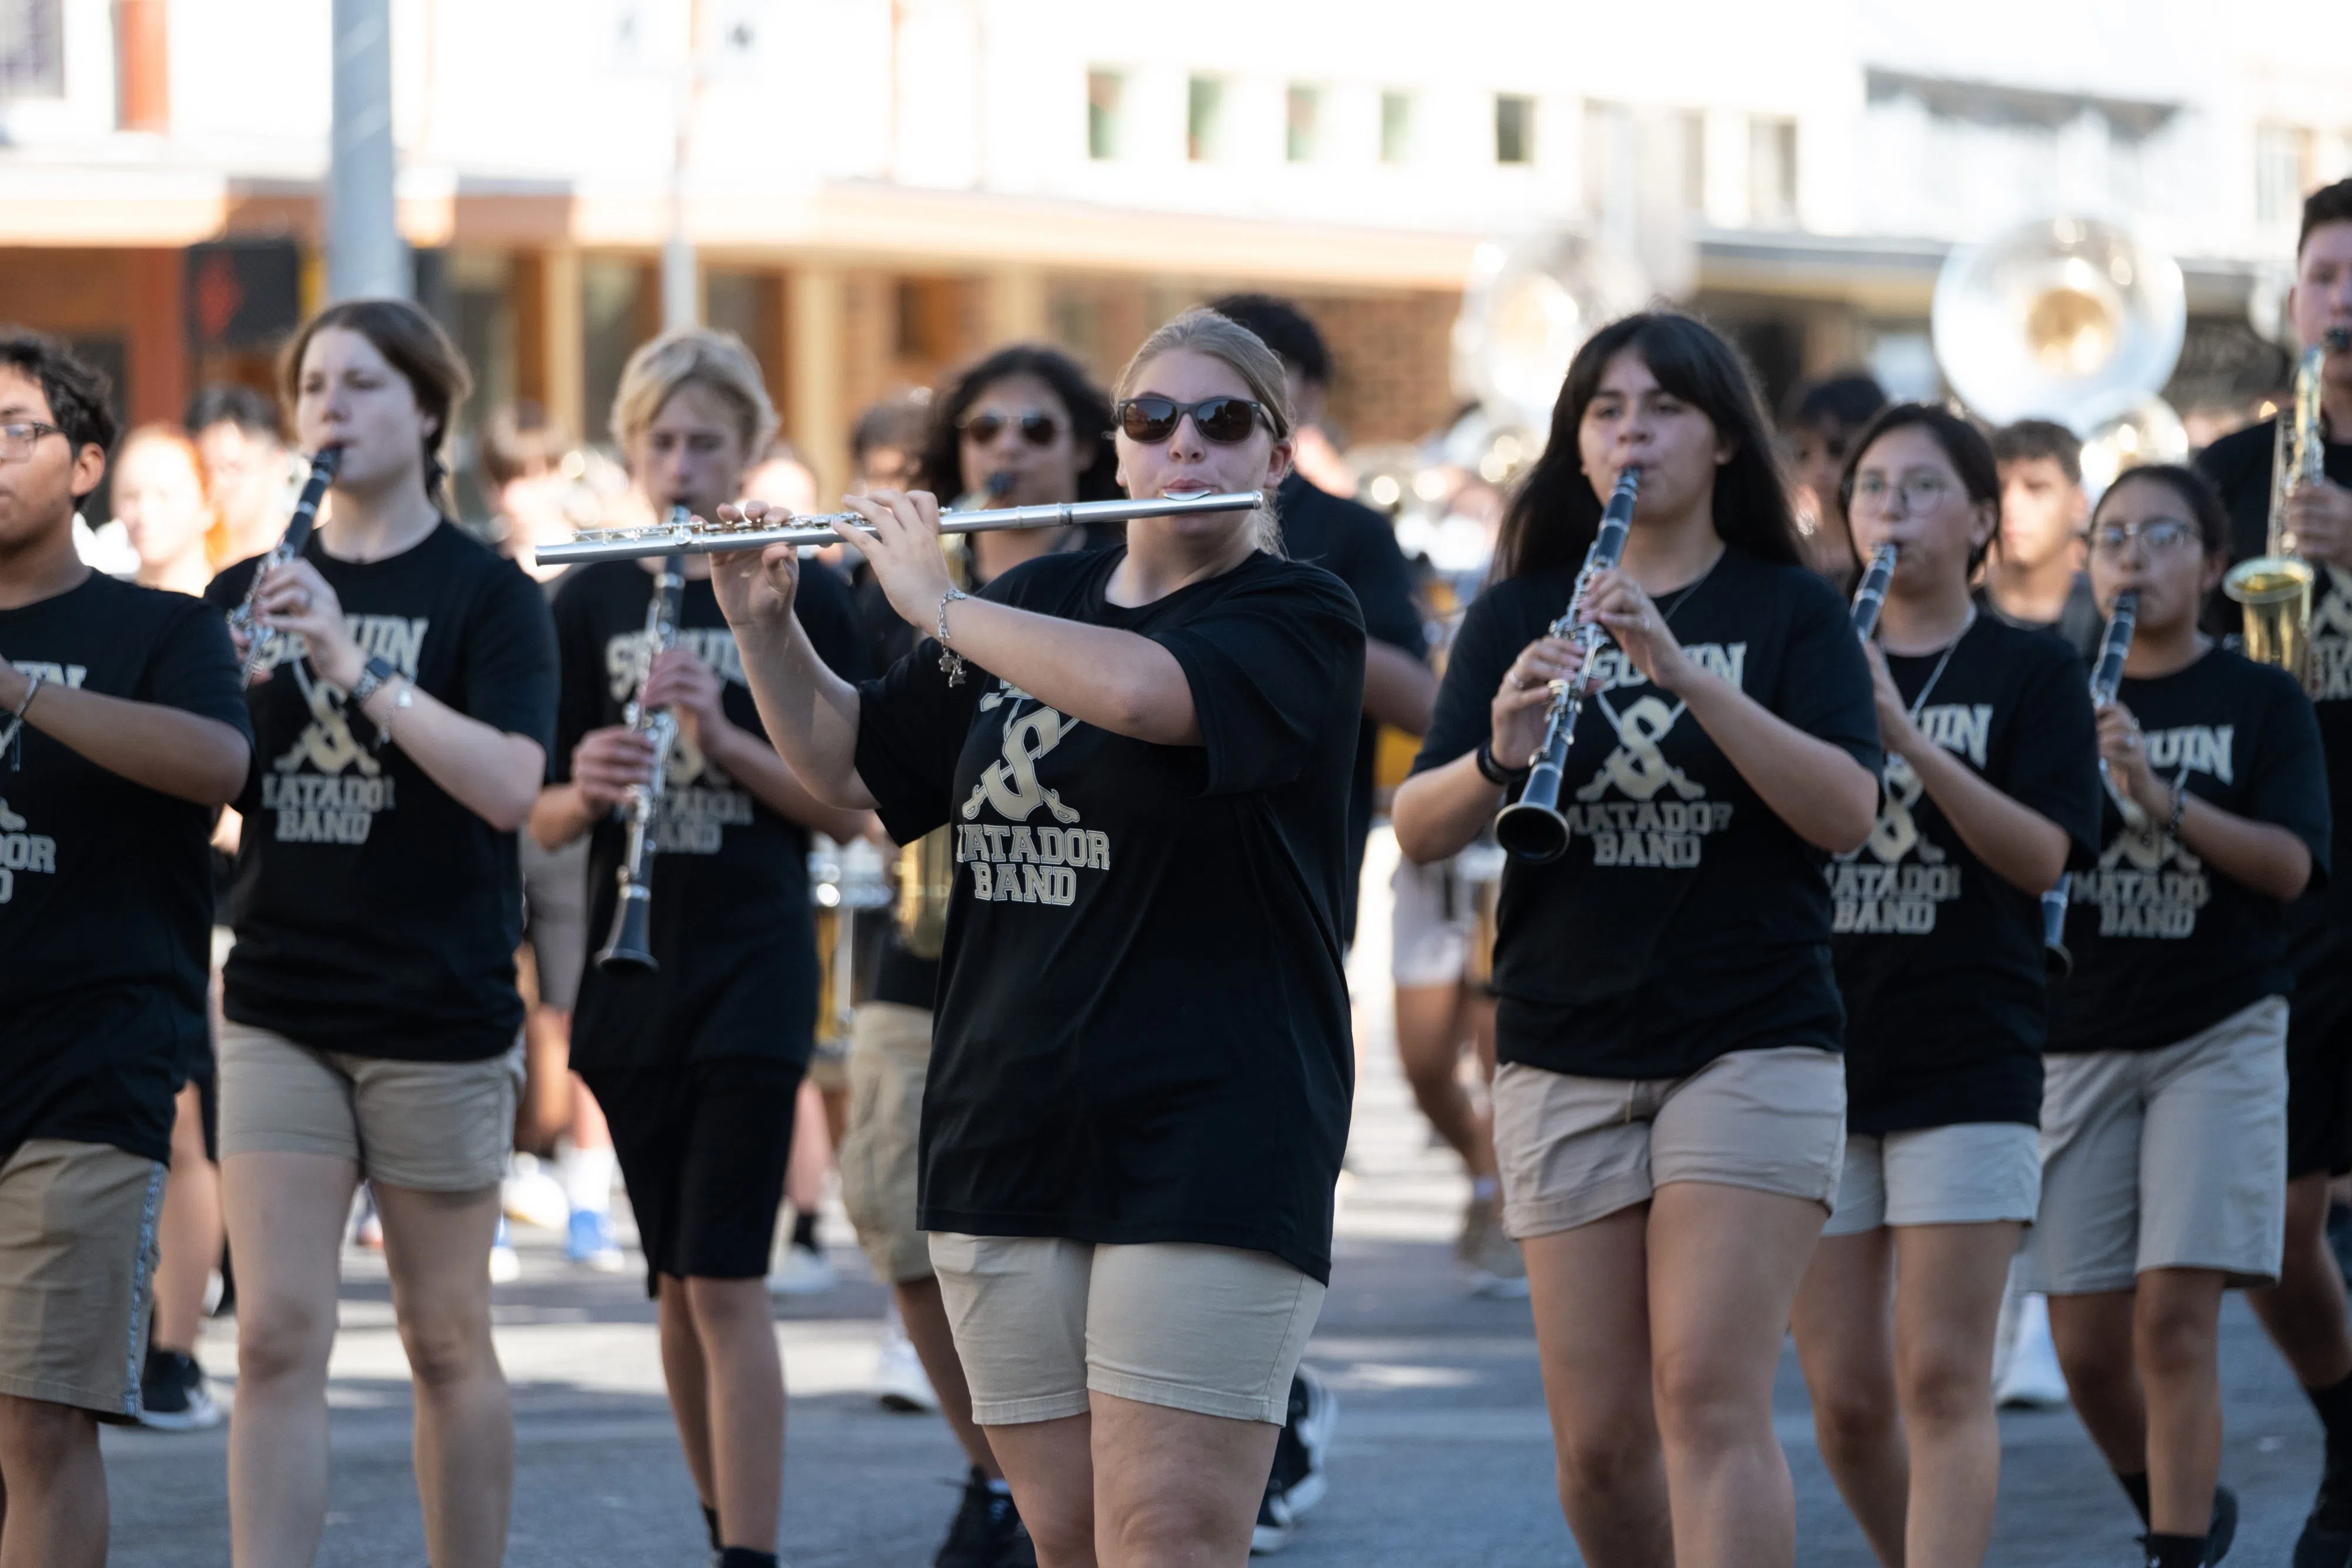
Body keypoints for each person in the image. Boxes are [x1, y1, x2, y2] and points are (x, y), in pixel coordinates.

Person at [717, 307, 1363, 1568]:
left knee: (1165, 1537)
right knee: (1066, 1539)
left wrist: (932, 603)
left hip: (1210, 1125)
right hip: (1007, 1118)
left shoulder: (1298, 612)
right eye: (1152, 420)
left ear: (1275, 459)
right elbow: (852, 762)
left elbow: (1139, 695)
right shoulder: (1038, 595)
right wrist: (763, 624)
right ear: (1117, 455)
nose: (1183, 445)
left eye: (1222, 421)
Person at [1392, 311, 1882, 1568]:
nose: (1629, 431)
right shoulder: (1516, 610)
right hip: (1560, 1036)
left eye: (1660, 406)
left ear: (1722, 438)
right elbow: (1419, 822)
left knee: (1705, 1398)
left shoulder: (1789, 611)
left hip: (1750, 1036)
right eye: (1603, 410)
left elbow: (1843, 812)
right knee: (1599, 1450)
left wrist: (1684, 674)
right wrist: (1500, 750)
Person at [204, 299, 557, 1568]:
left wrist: (352, 665)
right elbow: (214, 798)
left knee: (444, 1335)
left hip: (434, 1006)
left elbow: (512, 786)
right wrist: (226, 708)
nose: (330, 411)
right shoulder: (246, 589)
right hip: (283, 998)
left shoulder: (489, 595)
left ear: (425, 409)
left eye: (359, 385)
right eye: (313, 389)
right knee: (274, 1334)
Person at [530, 328, 871, 1568]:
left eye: (706, 443)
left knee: (726, 1273)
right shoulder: (588, 598)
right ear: (629, 451)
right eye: (660, 442)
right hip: (631, 969)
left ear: (751, 451)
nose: (680, 464)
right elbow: (538, 811)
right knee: (673, 1275)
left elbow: (855, 804)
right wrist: (585, 785)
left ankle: (753, 1552)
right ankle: (721, 1523)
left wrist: (724, 737)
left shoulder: (800, 587)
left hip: (751, 956)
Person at [1791, 403, 2103, 1568]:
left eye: (1922, 488)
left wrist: (1904, 738)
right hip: (1811, 1047)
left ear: (1979, 516)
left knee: (1938, 1370)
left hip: (1968, 1047)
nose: (1890, 509)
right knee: (1846, 1399)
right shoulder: (1803, 645)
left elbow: (2042, 858)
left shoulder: (2028, 669)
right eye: (1871, 486)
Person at [832, 353, 1123, 1567]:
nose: (1006, 450)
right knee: (895, 1216)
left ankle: (1098, 1480)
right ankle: (999, 1468)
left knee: (1080, 1250)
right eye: (984, 429)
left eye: (1036, 428)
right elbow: (853, 768)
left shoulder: (1120, 587)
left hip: (1065, 953)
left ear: (1082, 454)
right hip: (925, 944)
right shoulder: (897, 586)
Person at [2032, 463, 2332, 1568]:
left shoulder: (2262, 698)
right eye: (2112, 536)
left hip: (2221, 1027)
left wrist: (2165, 798)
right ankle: (2187, 1509)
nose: (2134, 557)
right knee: (2084, 1342)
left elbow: (2292, 867)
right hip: (2081, 1029)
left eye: (2163, 537)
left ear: (2212, 566)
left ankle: (2173, 1547)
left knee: (2172, 1314)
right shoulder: (2054, 690)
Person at [0, 330, 251, 1568]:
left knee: (41, 1421)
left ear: (85, 461)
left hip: (90, 1069)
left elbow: (217, 764)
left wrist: (20, 691)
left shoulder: (162, 630)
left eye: (15, 428)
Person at [1202, 291, 1434, 1540]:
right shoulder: (1136, 533)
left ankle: (1277, 1405)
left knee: (1263, 1161)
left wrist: (1281, 594)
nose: (1211, 424)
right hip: (1144, 892)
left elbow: (1413, 689)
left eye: (1250, 397)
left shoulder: (1342, 535)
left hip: (1295, 883)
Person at [2196, 175, 2352, 1568]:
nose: (2342, 302)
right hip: (2285, 874)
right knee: (2272, 1216)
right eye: (2322, 276)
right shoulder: (2238, 467)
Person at [111, 420, 240, 1427]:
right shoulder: (101, 610)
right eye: (127, 491)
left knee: (188, 1125)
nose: (138, 510)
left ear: (203, 501)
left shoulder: (226, 609)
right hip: (120, 897)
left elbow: (246, 786)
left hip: (219, 906)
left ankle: (176, 1352)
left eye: (161, 491)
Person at [480, 403, 619, 1271]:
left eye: (531, 471)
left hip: (569, 813)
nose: (517, 493)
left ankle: (589, 1200)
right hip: (491, 809)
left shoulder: (593, 572)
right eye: (504, 475)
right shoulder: (484, 575)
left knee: (575, 1002)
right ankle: (490, 1187)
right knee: (495, 1002)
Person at [1980, 418, 2100, 657]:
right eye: (2000, 487)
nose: (2010, 505)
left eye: (2036, 487)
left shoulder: (2107, 620)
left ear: (2079, 505)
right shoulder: (1955, 613)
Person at [1784, 370, 1889, 591]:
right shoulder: (1785, 552)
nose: (1819, 469)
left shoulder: (1895, 551)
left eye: (1837, 450)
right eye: (1803, 452)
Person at [188, 382, 296, 566]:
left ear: (278, 466)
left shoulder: (303, 563)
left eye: (234, 468)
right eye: (206, 470)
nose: (218, 483)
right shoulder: (192, 568)